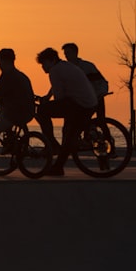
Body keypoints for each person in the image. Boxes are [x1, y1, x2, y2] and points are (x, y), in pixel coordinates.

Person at [35, 47, 97, 176]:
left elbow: (59, 98)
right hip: (86, 103)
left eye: (44, 63)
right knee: (69, 136)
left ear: (51, 61)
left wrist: (46, 103)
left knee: (41, 111)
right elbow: (59, 90)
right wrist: (47, 98)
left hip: (79, 104)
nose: (43, 67)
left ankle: (52, 144)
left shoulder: (55, 71)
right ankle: (58, 167)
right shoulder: (65, 66)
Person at [62, 42, 109, 121]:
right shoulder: (66, 69)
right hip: (78, 100)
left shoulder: (88, 66)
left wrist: (101, 93)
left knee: (101, 121)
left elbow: (102, 81)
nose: (66, 56)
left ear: (75, 53)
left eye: (68, 53)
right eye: (65, 54)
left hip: (96, 97)